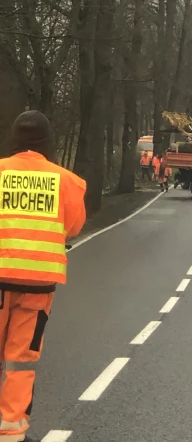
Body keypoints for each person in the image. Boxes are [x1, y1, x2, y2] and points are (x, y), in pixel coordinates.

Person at [0, 111, 86, 442]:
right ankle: (11, 433)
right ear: (47, 143)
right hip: (37, 288)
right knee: (20, 361)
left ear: (15, 139)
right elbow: (74, 227)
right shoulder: (67, 181)